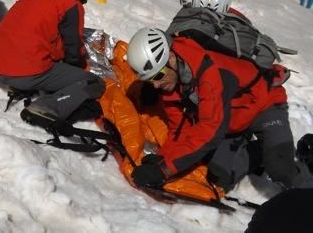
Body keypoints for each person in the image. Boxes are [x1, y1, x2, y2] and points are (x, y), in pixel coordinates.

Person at [126, 27, 313, 192]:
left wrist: (164, 170)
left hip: (265, 106)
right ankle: (257, 150)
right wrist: (161, 159)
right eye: (150, 81)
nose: (156, 85)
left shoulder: (211, 73)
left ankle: (306, 186)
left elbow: (210, 129)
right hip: (230, 120)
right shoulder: (171, 82)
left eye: (158, 75)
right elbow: (181, 130)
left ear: (172, 58)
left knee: (281, 169)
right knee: (220, 176)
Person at [0, 0, 105, 127]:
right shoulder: (69, 2)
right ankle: (47, 106)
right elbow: (73, 50)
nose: (80, 2)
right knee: (94, 83)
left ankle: (24, 84)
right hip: (23, 71)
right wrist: (77, 70)